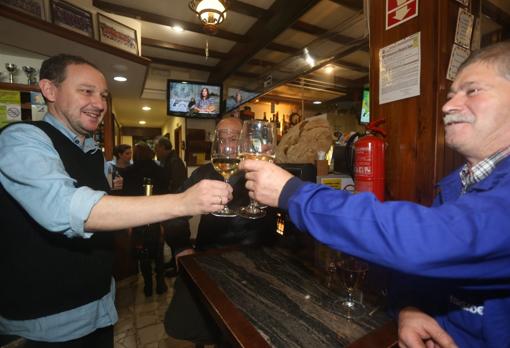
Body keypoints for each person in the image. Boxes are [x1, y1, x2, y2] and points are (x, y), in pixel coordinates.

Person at [239, 41, 510, 348]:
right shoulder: (457, 185)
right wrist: (409, 308)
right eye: (450, 96)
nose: (448, 106)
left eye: (472, 91)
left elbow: (427, 242)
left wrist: (292, 193)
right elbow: (425, 270)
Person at [0, 54, 232, 347]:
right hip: (44, 326)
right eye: (86, 91)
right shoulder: (21, 139)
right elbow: (64, 208)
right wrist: (183, 202)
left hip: (100, 308)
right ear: (49, 90)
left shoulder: (93, 152)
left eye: (103, 95)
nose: (99, 103)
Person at [163, 117, 277, 345]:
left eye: (234, 138)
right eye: (221, 137)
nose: (227, 144)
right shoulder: (205, 174)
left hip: (257, 266)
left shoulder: (266, 174)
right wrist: (182, 247)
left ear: (247, 141)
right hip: (209, 261)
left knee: (253, 333)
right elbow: (174, 212)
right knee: (179, 324)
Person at [122, 142, 168, 297]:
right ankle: (160, 284)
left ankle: (148, 286)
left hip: (138, 216)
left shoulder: (129, 172)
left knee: (143, 251)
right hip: (157, 215)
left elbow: (127, 198)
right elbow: (165, 196)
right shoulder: (160, 171)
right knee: (159, 251)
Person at [154, 136, 188, 275]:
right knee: (171, 236)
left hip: (175, 206)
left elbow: (179, 185)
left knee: (178, 236)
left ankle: (179, 267)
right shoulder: (167, 160)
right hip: (170, 204)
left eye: (157, 148)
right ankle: (174, 261)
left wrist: (171, 204)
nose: (155, 151)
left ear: (163, 147)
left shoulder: (174, 161)